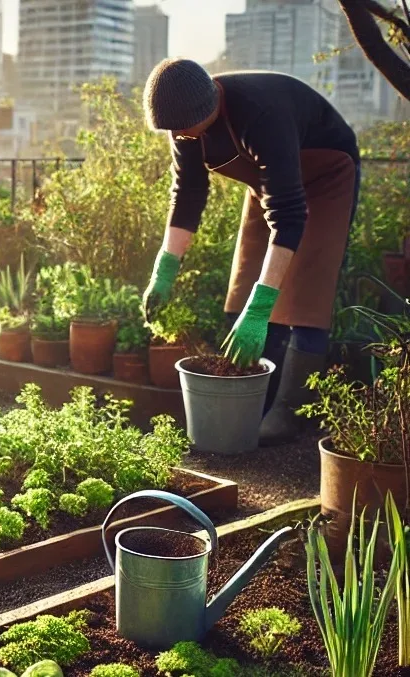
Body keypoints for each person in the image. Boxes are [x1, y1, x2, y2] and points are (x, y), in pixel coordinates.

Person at [140, 59, 361, 446]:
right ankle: (249, 401)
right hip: (269, 186)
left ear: (205, 110)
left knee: (305, 297)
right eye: (170, 128)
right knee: (244, 285)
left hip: (326, 177)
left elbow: (289, 217)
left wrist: (262, 309)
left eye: (179, 127)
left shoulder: (261, 114)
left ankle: (287, 413)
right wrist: (165, 270)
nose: (175, 135)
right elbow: (188, 195)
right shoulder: (185, 127)